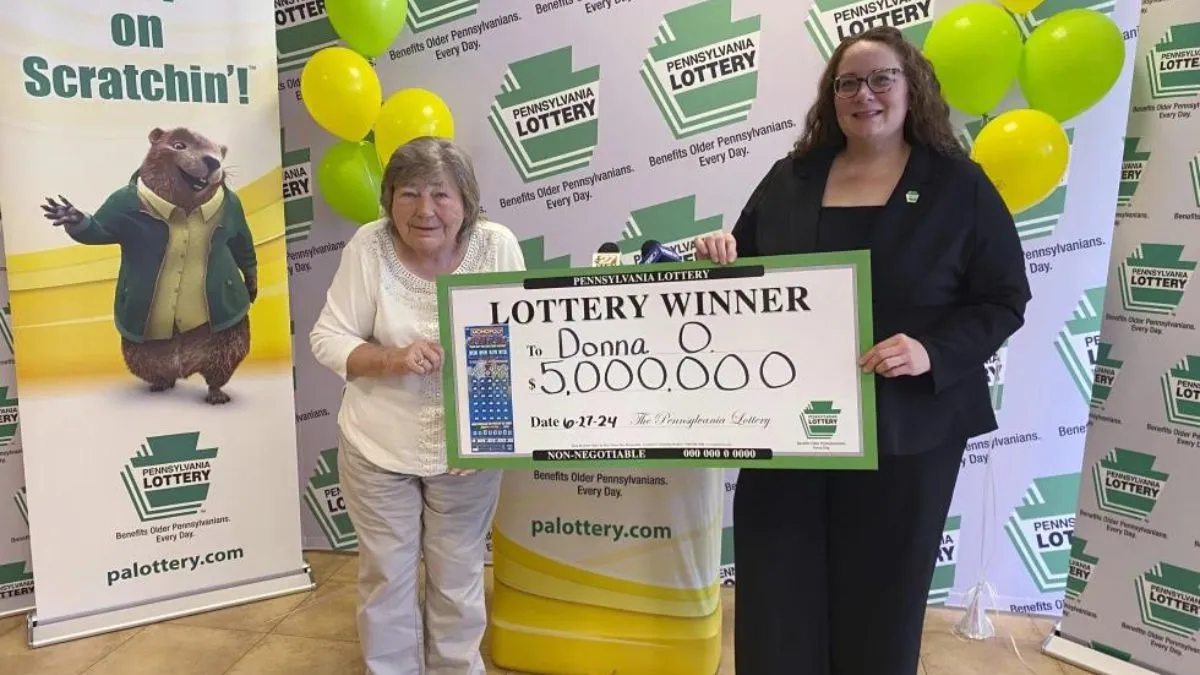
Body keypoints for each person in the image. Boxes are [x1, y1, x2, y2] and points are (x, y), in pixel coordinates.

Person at [694, 26, 1031, 675]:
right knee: (776, 585)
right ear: (831, 96)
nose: (864, 94)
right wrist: (719, 257)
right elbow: (744, 281)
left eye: (882, 79)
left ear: (913, 89)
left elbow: (1003, 297)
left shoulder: (958, 185)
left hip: (908, 425)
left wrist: (932, 350)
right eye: (848, 82)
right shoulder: (790, 177)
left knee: (883, 591)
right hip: (789, 422)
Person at [310, 136, 526, 675]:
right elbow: (327, 338)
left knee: (457, 578)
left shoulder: (497, 246)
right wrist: (392, 359)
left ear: (467, 202)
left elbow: (521, 347)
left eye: (440, 194)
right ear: (388, 201)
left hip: (467, 455)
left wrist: (486, 434)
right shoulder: (368, 246)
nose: (424, 210)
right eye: (408, 194)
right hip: (378, 446)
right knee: (387, 576)